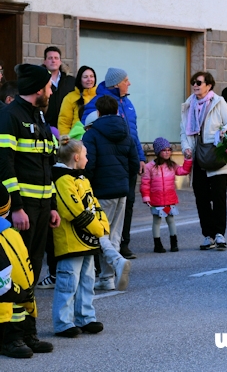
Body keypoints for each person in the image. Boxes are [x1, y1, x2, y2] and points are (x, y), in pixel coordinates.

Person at [0, 63, 59, 354]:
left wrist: (52, 206)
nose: (51, 90)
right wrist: (17, 208)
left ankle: (28, 332)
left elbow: (47, 165)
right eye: (48, 86)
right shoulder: (9, 116)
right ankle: (10, 337)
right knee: (13, 274)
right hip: (21, 212)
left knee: (32, 270)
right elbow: (5, 165)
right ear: (38, 89)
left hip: (42, 207)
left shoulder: (39, 116)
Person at [82, 68, 145, 260]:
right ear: (117, 84)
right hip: (110, 167)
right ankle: (111, 257)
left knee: (126, 207)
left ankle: (121, 247)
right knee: (106, 216)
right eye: (126, 80)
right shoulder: (97, 103)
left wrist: (140, 157)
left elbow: (134, 134)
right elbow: (89, 127)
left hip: (125, 163)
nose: (129, 83)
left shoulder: (128, 103)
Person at [51, 137, 110, 338]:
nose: (88, 158)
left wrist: (104, 225)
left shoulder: (82, 179)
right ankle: (63, 322)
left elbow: (94, 204)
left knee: (87, 279)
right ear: (76, 157)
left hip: (88, 240)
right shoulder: (62, 179)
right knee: (68, 281)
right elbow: (73, 211)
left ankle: (86, 317)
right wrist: (98, 229)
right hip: (70, 242)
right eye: (85, 154)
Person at [82, 96, 138, 291]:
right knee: (114, 234)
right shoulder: (126, 132)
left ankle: (116, 262)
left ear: (98, 112)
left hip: (101, 190)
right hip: (121, 189)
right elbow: (134, 164)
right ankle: (108, 278)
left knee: (98, 232)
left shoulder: (92, 134)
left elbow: (89, 164)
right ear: (116, 111)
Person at [180, 71, 227, 249]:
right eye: (193, 83)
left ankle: (220, 234)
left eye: (199, 82)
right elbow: (184, 131)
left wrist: (224, 131)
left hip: (216, 155)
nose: (195, 85)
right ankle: (208, 235)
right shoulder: (188, 105)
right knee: (201, 198)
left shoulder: (218, 102)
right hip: (198, 156)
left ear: (209, 85)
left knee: (218, 197)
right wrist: (186, 148)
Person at [0, 185, 38, 359]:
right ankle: (10, 339)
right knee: (9, 293)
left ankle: (25, 332)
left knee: (21, 282)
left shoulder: (10, 233)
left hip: (5, 225)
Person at [141, 137, 192, 253]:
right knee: (157, 220)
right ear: (158, 152)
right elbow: (145, 183)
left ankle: (174, 243)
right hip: (156, 199)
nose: (167, 152)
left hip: (169, 199)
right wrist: (146, 197)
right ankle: (157, 244)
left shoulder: (172, 165)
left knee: (170, 220)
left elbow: (183, 171)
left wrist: (188, 160)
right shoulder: (149, 167)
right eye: (164, 150)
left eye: (169, 150)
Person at [56, 66, 97, 144]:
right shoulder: (70, 98)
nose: (89, 79)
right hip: (76, 141)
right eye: (85, 77)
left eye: (92, 76)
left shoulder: (100, 96)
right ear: (79, 80)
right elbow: (64, 122)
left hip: (96, 140)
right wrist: (66, 141)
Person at [42, 47, 76, 137]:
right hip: (45, 128)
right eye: (50, 58)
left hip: (68, 130)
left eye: (56, 58)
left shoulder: (71, 81)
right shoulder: (39, 81)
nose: (53, 61)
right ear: (44, 61)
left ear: (60, 61)